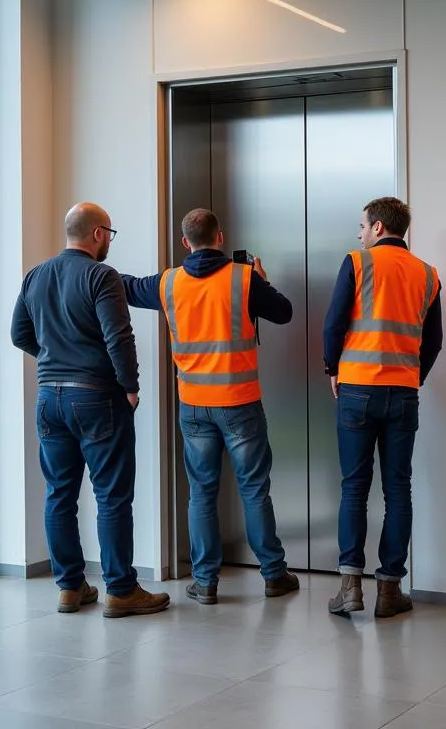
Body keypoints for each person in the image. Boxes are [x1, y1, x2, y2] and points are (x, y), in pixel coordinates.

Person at [120, 207, 299, 605]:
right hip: (239, 403)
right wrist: (262, 283)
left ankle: (205, 582)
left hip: (194, 405)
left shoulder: (167, 283)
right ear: (220, 238)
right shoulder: (244, 278)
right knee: (254, 490)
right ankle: (273, 574)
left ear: (186, 242)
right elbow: (284, 312)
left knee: (201, 492)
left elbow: (126, 287)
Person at [11, 202, 170, 618]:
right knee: (112, 496)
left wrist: (52, 359)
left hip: (48, 399)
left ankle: (70, 587)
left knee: (59, 495)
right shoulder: (102, 276)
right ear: (98, 234)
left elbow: (19, 334)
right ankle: (120, 589)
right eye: (110, 235)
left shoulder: (36, 275)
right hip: (97, 396)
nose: (110, 243)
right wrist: (130, 387)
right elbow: (119, 337)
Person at [323, 196, 442, 618]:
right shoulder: (428, 274)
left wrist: (331, 367)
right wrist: (414, 375)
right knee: (398, 490)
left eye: (362, 226)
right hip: (402, 392)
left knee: (354, 487)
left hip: (356, 388)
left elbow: (335, 321)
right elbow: (434, 340)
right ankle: (390, 591)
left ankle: (351, 588)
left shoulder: (357, 263)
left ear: (376, 227)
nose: (360, 233)